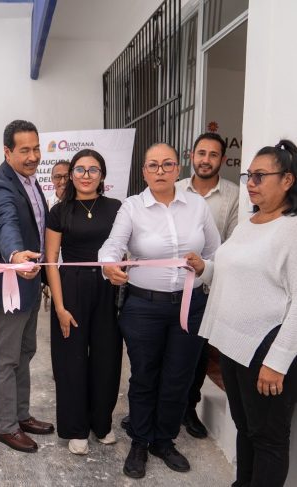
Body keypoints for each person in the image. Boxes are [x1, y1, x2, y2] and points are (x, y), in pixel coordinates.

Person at [99, 143, 220, 479]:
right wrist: (108, 264)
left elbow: (216, 251)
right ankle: (140, 441)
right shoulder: (132, 207)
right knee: (144, 375)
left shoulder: (197, 206)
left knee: (178, 377)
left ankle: (164, 441)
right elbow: (113, 244)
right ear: (144, 172)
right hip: (143, 308)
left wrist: (205, 266)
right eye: (153, 165)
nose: (161, 171)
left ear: (178, 169)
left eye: (167, 164)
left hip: (190, 306)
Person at [187, 139, 297, 487]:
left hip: (265, 349)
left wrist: (277, 362)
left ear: (287, 180)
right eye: (249, 175)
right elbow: (228, 272)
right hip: (233, 345)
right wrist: (203, 268)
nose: (251, 183)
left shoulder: (292, 230)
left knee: (268, 439)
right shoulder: (250, 222)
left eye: (260, 176)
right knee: (246, 427)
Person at [45, 149, 122, 456]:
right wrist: (59, 307)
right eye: (80, 169)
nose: (86, 176)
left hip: (107, 288)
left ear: (102, 175)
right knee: (71, 361)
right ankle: (76, 428)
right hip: (71, 288)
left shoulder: (116, 208)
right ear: (71, 174)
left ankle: (101, 423)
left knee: (107, 357)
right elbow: (51, 260)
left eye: (93, 170)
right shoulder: (59, 211)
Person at [0, 119, 54, 454]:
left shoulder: (29, 180)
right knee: (6, 358)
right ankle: (6, 427)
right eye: (24, 150)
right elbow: (6, 222)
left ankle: (21, 414)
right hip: (12, 286)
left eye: (36, 148)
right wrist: (14, 255)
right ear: (7, 151)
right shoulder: (2, 186)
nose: (33, 156)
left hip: (31, 284)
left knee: (25, 353)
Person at [176, 132, 239, 439]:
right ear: (192, 156)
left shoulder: (234, 196)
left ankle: (188, 408)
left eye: (213, 155)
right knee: (160, 352)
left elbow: (234, 243)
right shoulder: (174, 188)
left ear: (222, 160)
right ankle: (152, 409)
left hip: (206, 288)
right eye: (201, 153)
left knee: (197, 355)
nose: (206, 160)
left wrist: (207, 267)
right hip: (170, 288)